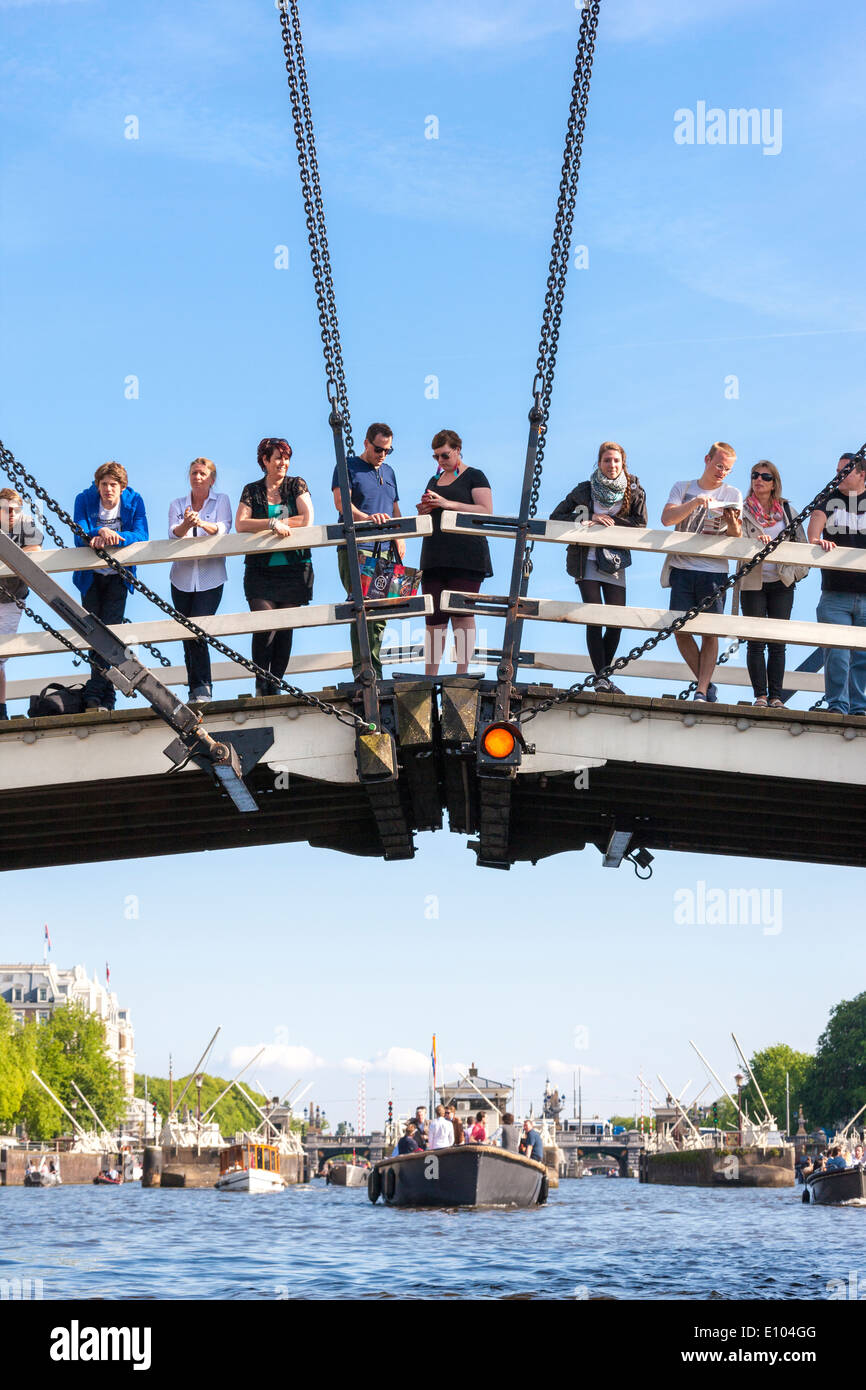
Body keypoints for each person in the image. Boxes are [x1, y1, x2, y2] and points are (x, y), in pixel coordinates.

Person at [550, 441, 648, 693]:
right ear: (599, 462)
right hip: (587, 559)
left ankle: (602, 676)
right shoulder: (584, 490)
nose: (611, 465)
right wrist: (588, 518)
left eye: (616, 460)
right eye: (607, 460)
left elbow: (640, 524)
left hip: (615, 560)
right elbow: (556, 517)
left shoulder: (635, 491)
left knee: (616, 620)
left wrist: (611, 521)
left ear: (622, 463)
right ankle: (601, 678)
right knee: (594, 617)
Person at [660, 442, 742, 702]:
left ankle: (702, 689)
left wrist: (731, 523)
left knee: (710, 632)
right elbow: (667, 519)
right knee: (680, 630)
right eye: (719, 465)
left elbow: (736, 535)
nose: (721, 472)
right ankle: (705, 683)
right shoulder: (683, 488)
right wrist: (696, 502)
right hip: (683, 568)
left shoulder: (732, 493)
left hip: (713, 571)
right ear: (707, 459)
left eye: (727, 469)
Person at [236, 438, 314, 696]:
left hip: (293, 569)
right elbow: (241, 523)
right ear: (265, 461)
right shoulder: (252, 490)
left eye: (286, 457)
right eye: (278, 458)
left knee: (284, 627)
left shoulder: (296, 484)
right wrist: (271, 523)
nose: (283, 463)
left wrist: (283, 523)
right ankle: (261, 681)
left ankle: (276, 683)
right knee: (265, 626)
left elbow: (307, 518)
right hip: (261, 571)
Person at [73, 462, 149, 711]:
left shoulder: (134, 501)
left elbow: (142, 534)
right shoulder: (84, 500)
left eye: (113, 485)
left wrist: (119, 536)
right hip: (91, 577)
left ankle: (95, 696)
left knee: (111, 633)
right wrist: (99, 530)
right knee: (94, 633)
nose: (108, 489)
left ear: (122, 487)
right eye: (103, 484)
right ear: (97, 485)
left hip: (118, 575)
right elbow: (79, 532)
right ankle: (107, 697)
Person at [417, 429, 493, 675]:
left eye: (445, 455)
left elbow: (485, 510)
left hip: (466, 555)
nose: (441, 461)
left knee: (461, 612)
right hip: (434, 554)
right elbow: (429, 512)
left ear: (458, 451)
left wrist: (447, 504)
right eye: (436, 457)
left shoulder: (475, 475)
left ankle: (462, 673)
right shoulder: (433, 480)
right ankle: (430, 677)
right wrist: (425, 509)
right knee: (434, 616)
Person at [331, 423, 404, 680]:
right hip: (358, 547)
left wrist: (400, 537)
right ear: (366, 443)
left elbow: (395, 509)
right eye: (378, 449)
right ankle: (363, 672)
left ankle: (377, 670)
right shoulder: (347, 466)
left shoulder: (389, 471)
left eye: (388, 450)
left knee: (381, 613)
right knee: (362, 608)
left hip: (385, 550)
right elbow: (342, 504)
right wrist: (369, 518)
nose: (382, 454)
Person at [734, 460, 809, 707]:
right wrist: (755, 543)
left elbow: (802, 544)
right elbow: (734, 539)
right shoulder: (741, 509)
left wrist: (795, 574)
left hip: (781, 581)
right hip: (753, 582)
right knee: (755, 642)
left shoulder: (787, 511)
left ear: (774, 482)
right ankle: (760, 696)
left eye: (765, 476)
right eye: (755, 475)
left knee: (778, 643)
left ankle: (776, 696)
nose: (759, 480)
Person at [168, 458, 233, 705]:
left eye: (203, 474)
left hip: (211, 577)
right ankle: (194, 689)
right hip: (181, 578)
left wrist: (201, 523)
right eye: (194, 473)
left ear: (212, 479)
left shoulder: (222, 500)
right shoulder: (177, 504)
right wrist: (187, 523)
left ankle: (204, 687)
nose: (197, 477)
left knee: (199, 631)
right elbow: (172, 533)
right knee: (187, 634)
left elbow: (224, 528)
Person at [807, 452, 866, 716]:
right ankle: (837, 705)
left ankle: (859, 709)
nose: (839, 476)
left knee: (862, 657)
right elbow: (813, 530)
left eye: (846, 471)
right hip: (836, 592)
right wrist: (818, 540)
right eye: (837, 471)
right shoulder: (829, 499)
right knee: (838, 655)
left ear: (862, 474)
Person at [0, 488, 43, 720]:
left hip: (11, 597)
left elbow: (34, 551)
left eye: (15, 510)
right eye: (5, 510)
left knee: (0, 655)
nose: (10, 514)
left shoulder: (25, 524)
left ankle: (1, 710)